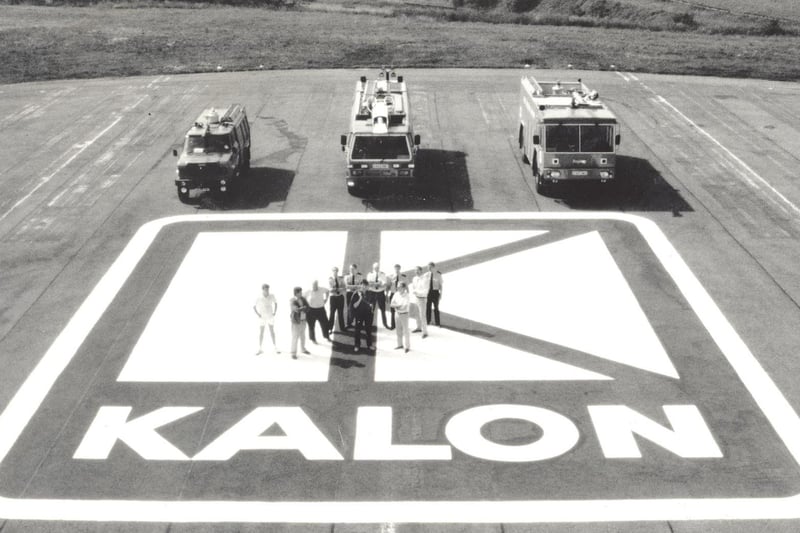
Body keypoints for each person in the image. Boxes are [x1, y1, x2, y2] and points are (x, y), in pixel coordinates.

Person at [253, 283, 279, 354]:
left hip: (270, 316)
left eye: (268, 289)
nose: (267, 290)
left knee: (272, 331)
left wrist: (274, 312)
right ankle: (260, 348)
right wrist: (258, 314)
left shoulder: (272, 296)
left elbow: (276, 303)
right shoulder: (259, 297)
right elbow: (254, 306)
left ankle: (275, 347)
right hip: (262, 317)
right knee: (261, 332)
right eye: (266, 289)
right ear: (263, 289)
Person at [349, 280, 373, 353]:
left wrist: (371, 305)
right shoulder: (356, 294)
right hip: (359, 314)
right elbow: (354, 306)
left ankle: (369, 345)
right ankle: (357, 345)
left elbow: (372, 303)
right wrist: (360, 298)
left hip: (368, 314)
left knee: (368, 330)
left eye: (366, 286)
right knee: (358, 330)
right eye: (363, 285)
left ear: (367, 286)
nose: (364, 287)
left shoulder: (370, 293)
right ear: (360, 286)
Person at [366, 262, 389, 329]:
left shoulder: (382, 274)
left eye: (378, 267)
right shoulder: (370, 274)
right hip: (372, 293)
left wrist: (375, 284)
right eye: (375, 267)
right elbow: (368, 284)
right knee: (371, 309)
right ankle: (369, 324)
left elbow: (384, 284)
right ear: (373, 268)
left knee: (383, 309)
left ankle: (385, 324)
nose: (376, 268)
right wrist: (378, 283)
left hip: (380, 293)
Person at [289, 287, 311, 359]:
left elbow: (308, 307)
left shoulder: (303, 298)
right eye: (300, 292)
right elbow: (296, 310)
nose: (301, 293)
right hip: (296, 322)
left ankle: (303, 349)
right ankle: (293, 353)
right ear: (296, 293)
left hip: (303, 320)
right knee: (295, 337)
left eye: (301, 292)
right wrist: (303, 308)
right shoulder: (292, 300)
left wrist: (303, 308)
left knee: (303, 336)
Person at [390, 281, 411, 353]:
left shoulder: (407, 295)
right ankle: (400, 345)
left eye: (400, 287)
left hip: (404, 314)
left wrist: (397, 306)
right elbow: (391, 304)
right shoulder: (396, 294)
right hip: (397, 314)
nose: (398, 288)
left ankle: (407, 346)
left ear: (404, 288)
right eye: (398, 287)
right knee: (398, 330)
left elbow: (404, 306)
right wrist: (398, 306)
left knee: (405, 331)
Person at [410, 266, 428, 338]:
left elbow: (425, 291)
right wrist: (415, 292)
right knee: (416, 314)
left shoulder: (425, 279)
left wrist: (417, 292)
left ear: (421, 271)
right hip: (416, 298)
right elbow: (414, 287)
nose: (416, 272)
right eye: (415, 270)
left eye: (418, 270)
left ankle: (425, 332)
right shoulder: (414, 279)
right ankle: (419, 328)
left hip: (422, 298)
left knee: (422, 316)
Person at [387, 263, 407, 330]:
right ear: (394, 269)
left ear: (400, 269)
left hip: (400, 295)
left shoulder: (403, 276)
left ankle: (400, 326)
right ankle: (393, 325)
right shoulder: (391, 277)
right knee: (393, 311)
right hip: (393, 294)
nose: (397, 270)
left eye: (398, 268)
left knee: (401, 311)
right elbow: (388, 286)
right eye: (396, 268)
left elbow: (406, 287)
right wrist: (387, 295)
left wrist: (407, 296)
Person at [328, 266, 346, 334]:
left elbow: (344, 287)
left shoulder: (341, 278)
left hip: (340, 297)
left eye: (336, 271)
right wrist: (338, 289)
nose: (335, 272)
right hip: (333, 298)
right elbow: (330, 290)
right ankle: (330, 328)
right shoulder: (330, 279)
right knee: (332, 313)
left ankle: (342, 328)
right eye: (334, 271)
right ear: (332, 271)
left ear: (337, 271)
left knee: (340, 313)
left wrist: (337, 289)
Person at [344, 264, 362, 329]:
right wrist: (356, 286)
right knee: (349, 308)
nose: (351, 270)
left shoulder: (360, 276)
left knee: (357, 308)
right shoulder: (347, 276)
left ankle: (357, 323)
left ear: (356, 269)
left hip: (356, 294)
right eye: (350, 269)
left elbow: (360, 286)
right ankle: (349, 323)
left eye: (353, 269)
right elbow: (346, 286)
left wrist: (352, 286)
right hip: (349, 294)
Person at [426, 261, 443, 327]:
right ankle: (428, 321)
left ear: (434, 267)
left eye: (430, 267)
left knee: (436, 308)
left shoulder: (438, 274)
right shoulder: (426, 275)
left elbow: (441, 285)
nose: (429, 268)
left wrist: (441, 294)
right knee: (428, 307)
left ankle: (437, 323)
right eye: (428, 267)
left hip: (435, 292)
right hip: (428, 293)